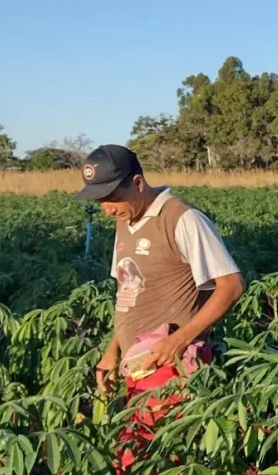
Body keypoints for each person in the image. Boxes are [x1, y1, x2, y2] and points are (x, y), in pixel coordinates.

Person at [74, 144, 245, 472]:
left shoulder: (182, 218)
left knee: (155, 463)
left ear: (137, 183)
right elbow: (127, 293)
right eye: (100, 201)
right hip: (135, 367)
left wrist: (178, 341)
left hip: (170, 371)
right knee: (134, 460)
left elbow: (231, 286)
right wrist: (112, 350)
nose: (107, 209)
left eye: (112, 197)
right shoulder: (126, 220)